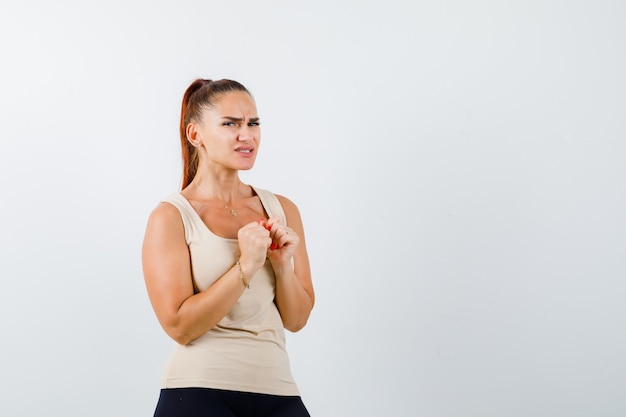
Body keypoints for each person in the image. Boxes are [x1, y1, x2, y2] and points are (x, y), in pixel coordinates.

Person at [142, 78, 315, 417]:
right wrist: (245, 267)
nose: (246, 135)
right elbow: (179, 326)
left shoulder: (282, 209)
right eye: (230, 124)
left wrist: (281, 265)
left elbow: (297, 319)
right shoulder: (171, 217)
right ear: (195, 135)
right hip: (197, 392)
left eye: (253, 124)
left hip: (278, 389)